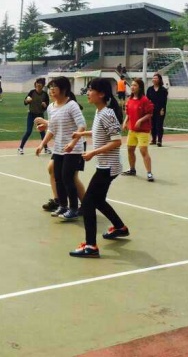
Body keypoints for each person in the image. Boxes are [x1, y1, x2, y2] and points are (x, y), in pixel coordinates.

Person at [68, 78, 130, 257]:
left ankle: (91, 246)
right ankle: (120, 227)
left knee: (88, 203)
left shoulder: (107, 114)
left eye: (90, 90)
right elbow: (98, 132)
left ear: (101, 94)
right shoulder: (100, 112)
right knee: (99, 200)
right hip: (105, 165)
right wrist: (81, 133)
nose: (87, 93)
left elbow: (116, 141)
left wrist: (93, 153)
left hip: (108, 167)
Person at [36, 76, 86, 220]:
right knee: (58, 177)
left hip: (73, 149)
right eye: (50, 87)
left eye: (54, 87)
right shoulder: (51, 107)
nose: (51, 89)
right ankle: (63, 206)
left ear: (64, 89)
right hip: (58, 148)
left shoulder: (71, 105)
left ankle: (74, 209)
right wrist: (42, 144)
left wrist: (72, 143)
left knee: (67, 178)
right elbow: (52, 129)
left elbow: (82, 125)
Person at [122, 78, 155, 182]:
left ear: (140, 88)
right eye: (131, 85)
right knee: (130, 149)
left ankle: (149, 173)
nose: (132, 87)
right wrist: (125, 122)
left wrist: (140, 120)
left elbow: (150, 113)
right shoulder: (130, 100)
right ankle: (132, 169)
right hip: (132, 130)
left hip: (143, 131)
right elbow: (128, 113)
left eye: (135, 85)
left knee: (143, 151)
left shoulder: (144, 100)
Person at [18, 78, 50, 155]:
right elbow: (25, 102)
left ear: (43, 85)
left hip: (40, 115)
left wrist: (45, 105)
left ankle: (46, 148)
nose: (38, 85)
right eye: (37, 83)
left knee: (42, 132)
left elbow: (47, 106)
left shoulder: (45, 94)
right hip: (31, 114)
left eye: (40, 83)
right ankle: (20, 148)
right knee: (28, 131)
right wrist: (27, 100)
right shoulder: (32, 92)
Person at [146, 73, 168, 147]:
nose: (154, 79)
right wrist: (148, 109)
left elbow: (164, 102)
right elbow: (147, 100)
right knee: (152, 125)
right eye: (153, 78)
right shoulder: (149, 89)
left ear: (159, 80)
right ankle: (153, 139)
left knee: (159, 125)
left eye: (156, 78)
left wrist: (162, 110)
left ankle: (159, 140)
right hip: (152, 110)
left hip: (160, 110)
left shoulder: (163, 90)